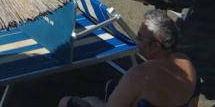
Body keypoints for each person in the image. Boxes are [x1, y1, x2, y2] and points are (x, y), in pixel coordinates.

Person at [58, 10, 199, 107]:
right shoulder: (186, 63)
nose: (136, 41)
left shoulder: (140, 75)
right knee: (112, 85)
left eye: (139, 37)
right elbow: (193, 102)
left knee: (67, 102)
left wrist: (93, 102)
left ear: (155, 46)